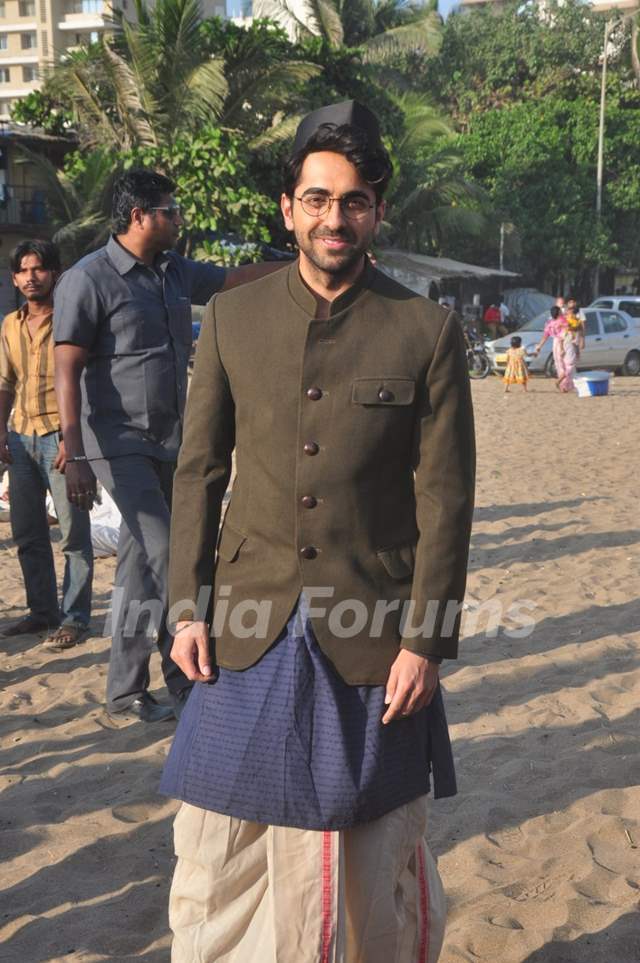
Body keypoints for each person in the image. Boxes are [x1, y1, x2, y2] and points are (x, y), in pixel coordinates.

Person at [161, 101, 475, 962]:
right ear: (288, 207)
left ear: (377, 209)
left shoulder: (427, 331)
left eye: (356, 199)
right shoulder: (232, 319)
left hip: (373, 633)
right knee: (216, 846)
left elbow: (448, 498)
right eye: (318, 197)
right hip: (244, 624)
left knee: (372, 853)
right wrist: (186, 607)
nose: (336, 217)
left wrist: (427, 642)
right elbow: (199, 471)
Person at [53, 169, 283, 724]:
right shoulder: (89, 278)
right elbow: (65, 365)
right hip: (116, 443)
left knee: (138, 567)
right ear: (138, 217)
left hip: (171, 440)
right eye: (170, 210)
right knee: (172, 554)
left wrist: (299, 265)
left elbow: (233, 280)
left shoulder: (173, 271)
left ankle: (127, 693)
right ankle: (190, 679)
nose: (179, 219)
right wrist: (75, 452)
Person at [0, 240, 93, 647]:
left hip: (61, 437)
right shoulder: (9, 324)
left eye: (38, 269)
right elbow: (5, 383)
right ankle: (42, 613)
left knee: (73, 534)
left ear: (55, 272)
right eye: (22, 270)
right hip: (20, 438)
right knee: (29, 533)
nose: (30, 277)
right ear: (14, 278)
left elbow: (87, 384)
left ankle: (74, 619)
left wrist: (75, 442)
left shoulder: (71, 320)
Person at [533, 305, 568, 390]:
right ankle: (563, 383)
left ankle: (563, 385)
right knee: (565, 364)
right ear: (559, 312)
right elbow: (564, 335)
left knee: (558, 364)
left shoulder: (549, 323)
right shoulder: (563, 321)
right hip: (562, 343)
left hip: (554, 343)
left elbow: (545, 336)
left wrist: (539, 346)